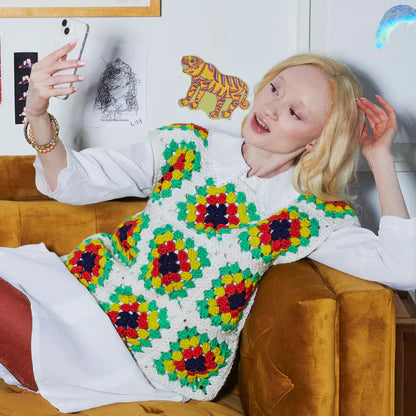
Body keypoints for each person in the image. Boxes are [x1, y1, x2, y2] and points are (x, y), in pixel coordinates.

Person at [0, 40, 415, 413]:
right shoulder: (186, 146)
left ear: (317, 140)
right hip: (73, 296)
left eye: (294, 112)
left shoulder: (309, 214)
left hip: (130, 361)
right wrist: (37, 110)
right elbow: (70, 182)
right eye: (275, 88)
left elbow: (402, 268)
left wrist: (380, 157)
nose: (270, 108)